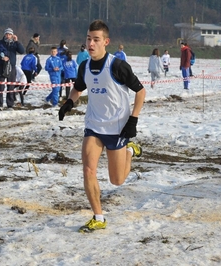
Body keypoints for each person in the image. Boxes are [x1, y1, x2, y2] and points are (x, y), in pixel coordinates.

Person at [58, 19, 146, 233]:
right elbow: (78, 88)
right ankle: (98, 217)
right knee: (88, 170)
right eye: (88, 38)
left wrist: (133, 120)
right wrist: (70, 102)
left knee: (117, 180)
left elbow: (141, 92)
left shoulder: (117, 65)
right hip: (94, 126)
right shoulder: (84, 66)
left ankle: (129, 151)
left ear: (106, 42)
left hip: (117, 128)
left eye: (96, 39)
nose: (91, 43)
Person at [0, 28, 25, 111]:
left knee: (11, 86)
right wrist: (1, 57)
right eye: (7, 34)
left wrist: (17, 42)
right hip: (2, 66)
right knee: (0, 86)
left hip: (12, 67)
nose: (8, 36)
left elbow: (22, 51)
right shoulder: (0, 43)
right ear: (4, 34)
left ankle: (10, 105)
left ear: (12, 35)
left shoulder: (14, 44)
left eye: (10, 34)